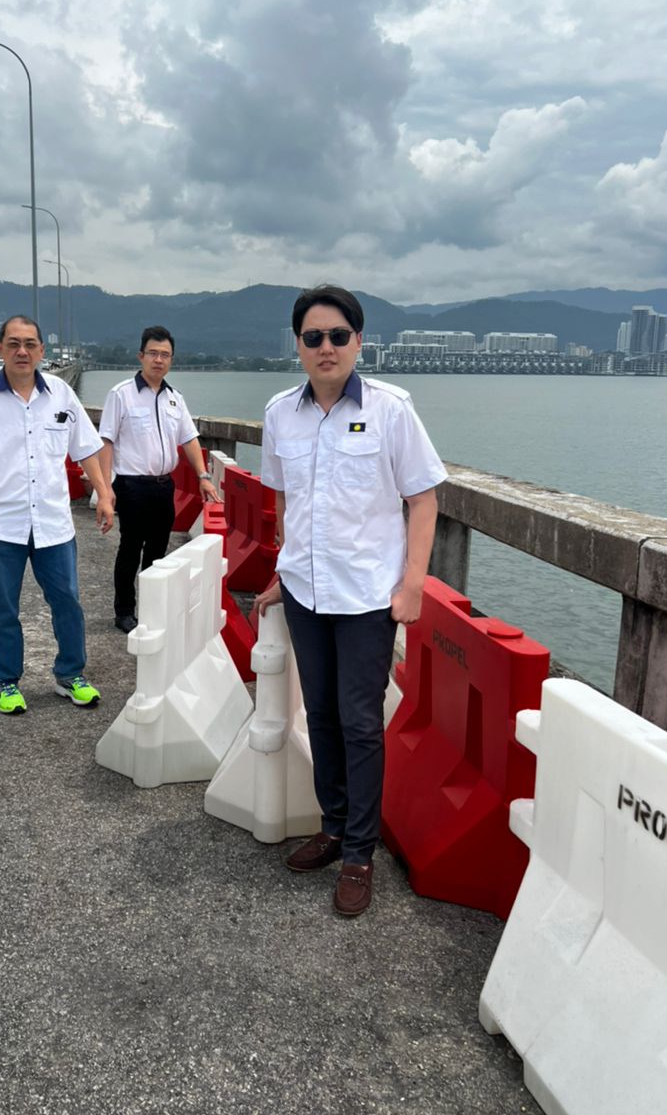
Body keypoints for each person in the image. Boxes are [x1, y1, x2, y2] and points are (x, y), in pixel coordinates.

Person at [253, 285, 445, 919]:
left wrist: (412, 583)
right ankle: (335, 826)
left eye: (338, 336)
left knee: (361, 722)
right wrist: (284, 569)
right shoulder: (281, 413)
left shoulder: (392, 410)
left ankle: (359, 852)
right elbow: (286, 503)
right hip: (308, 593)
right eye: (314, 338)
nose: (326, 347)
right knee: (324, 716)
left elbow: (423, 499)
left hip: (367, 597)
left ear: (359, 342)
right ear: (299, 347)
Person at [0, 315, 114, 715]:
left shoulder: (61, 395)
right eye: (14, 343)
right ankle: (6, 681)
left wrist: (104, 494)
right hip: (1, 527)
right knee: (4, 607)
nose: (23, 351)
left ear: (42, 350)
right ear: (0, 348)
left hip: (54, 524)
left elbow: (86, 449)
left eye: (31, 344)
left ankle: (71, 676)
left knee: (68, 602)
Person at [99, 325, 220, 633]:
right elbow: (107, 441)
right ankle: (124, 611)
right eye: (153, 353)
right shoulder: (121, 395)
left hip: (163, 486)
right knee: (130, 548)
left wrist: (203, 476)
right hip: (131, 485)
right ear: (141, 356)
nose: (158, 360)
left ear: (171, 360)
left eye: (165, 355)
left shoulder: (175, 399)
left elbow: (190, 439)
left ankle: (153, 610)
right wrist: (104, 489)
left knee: (158, 550)